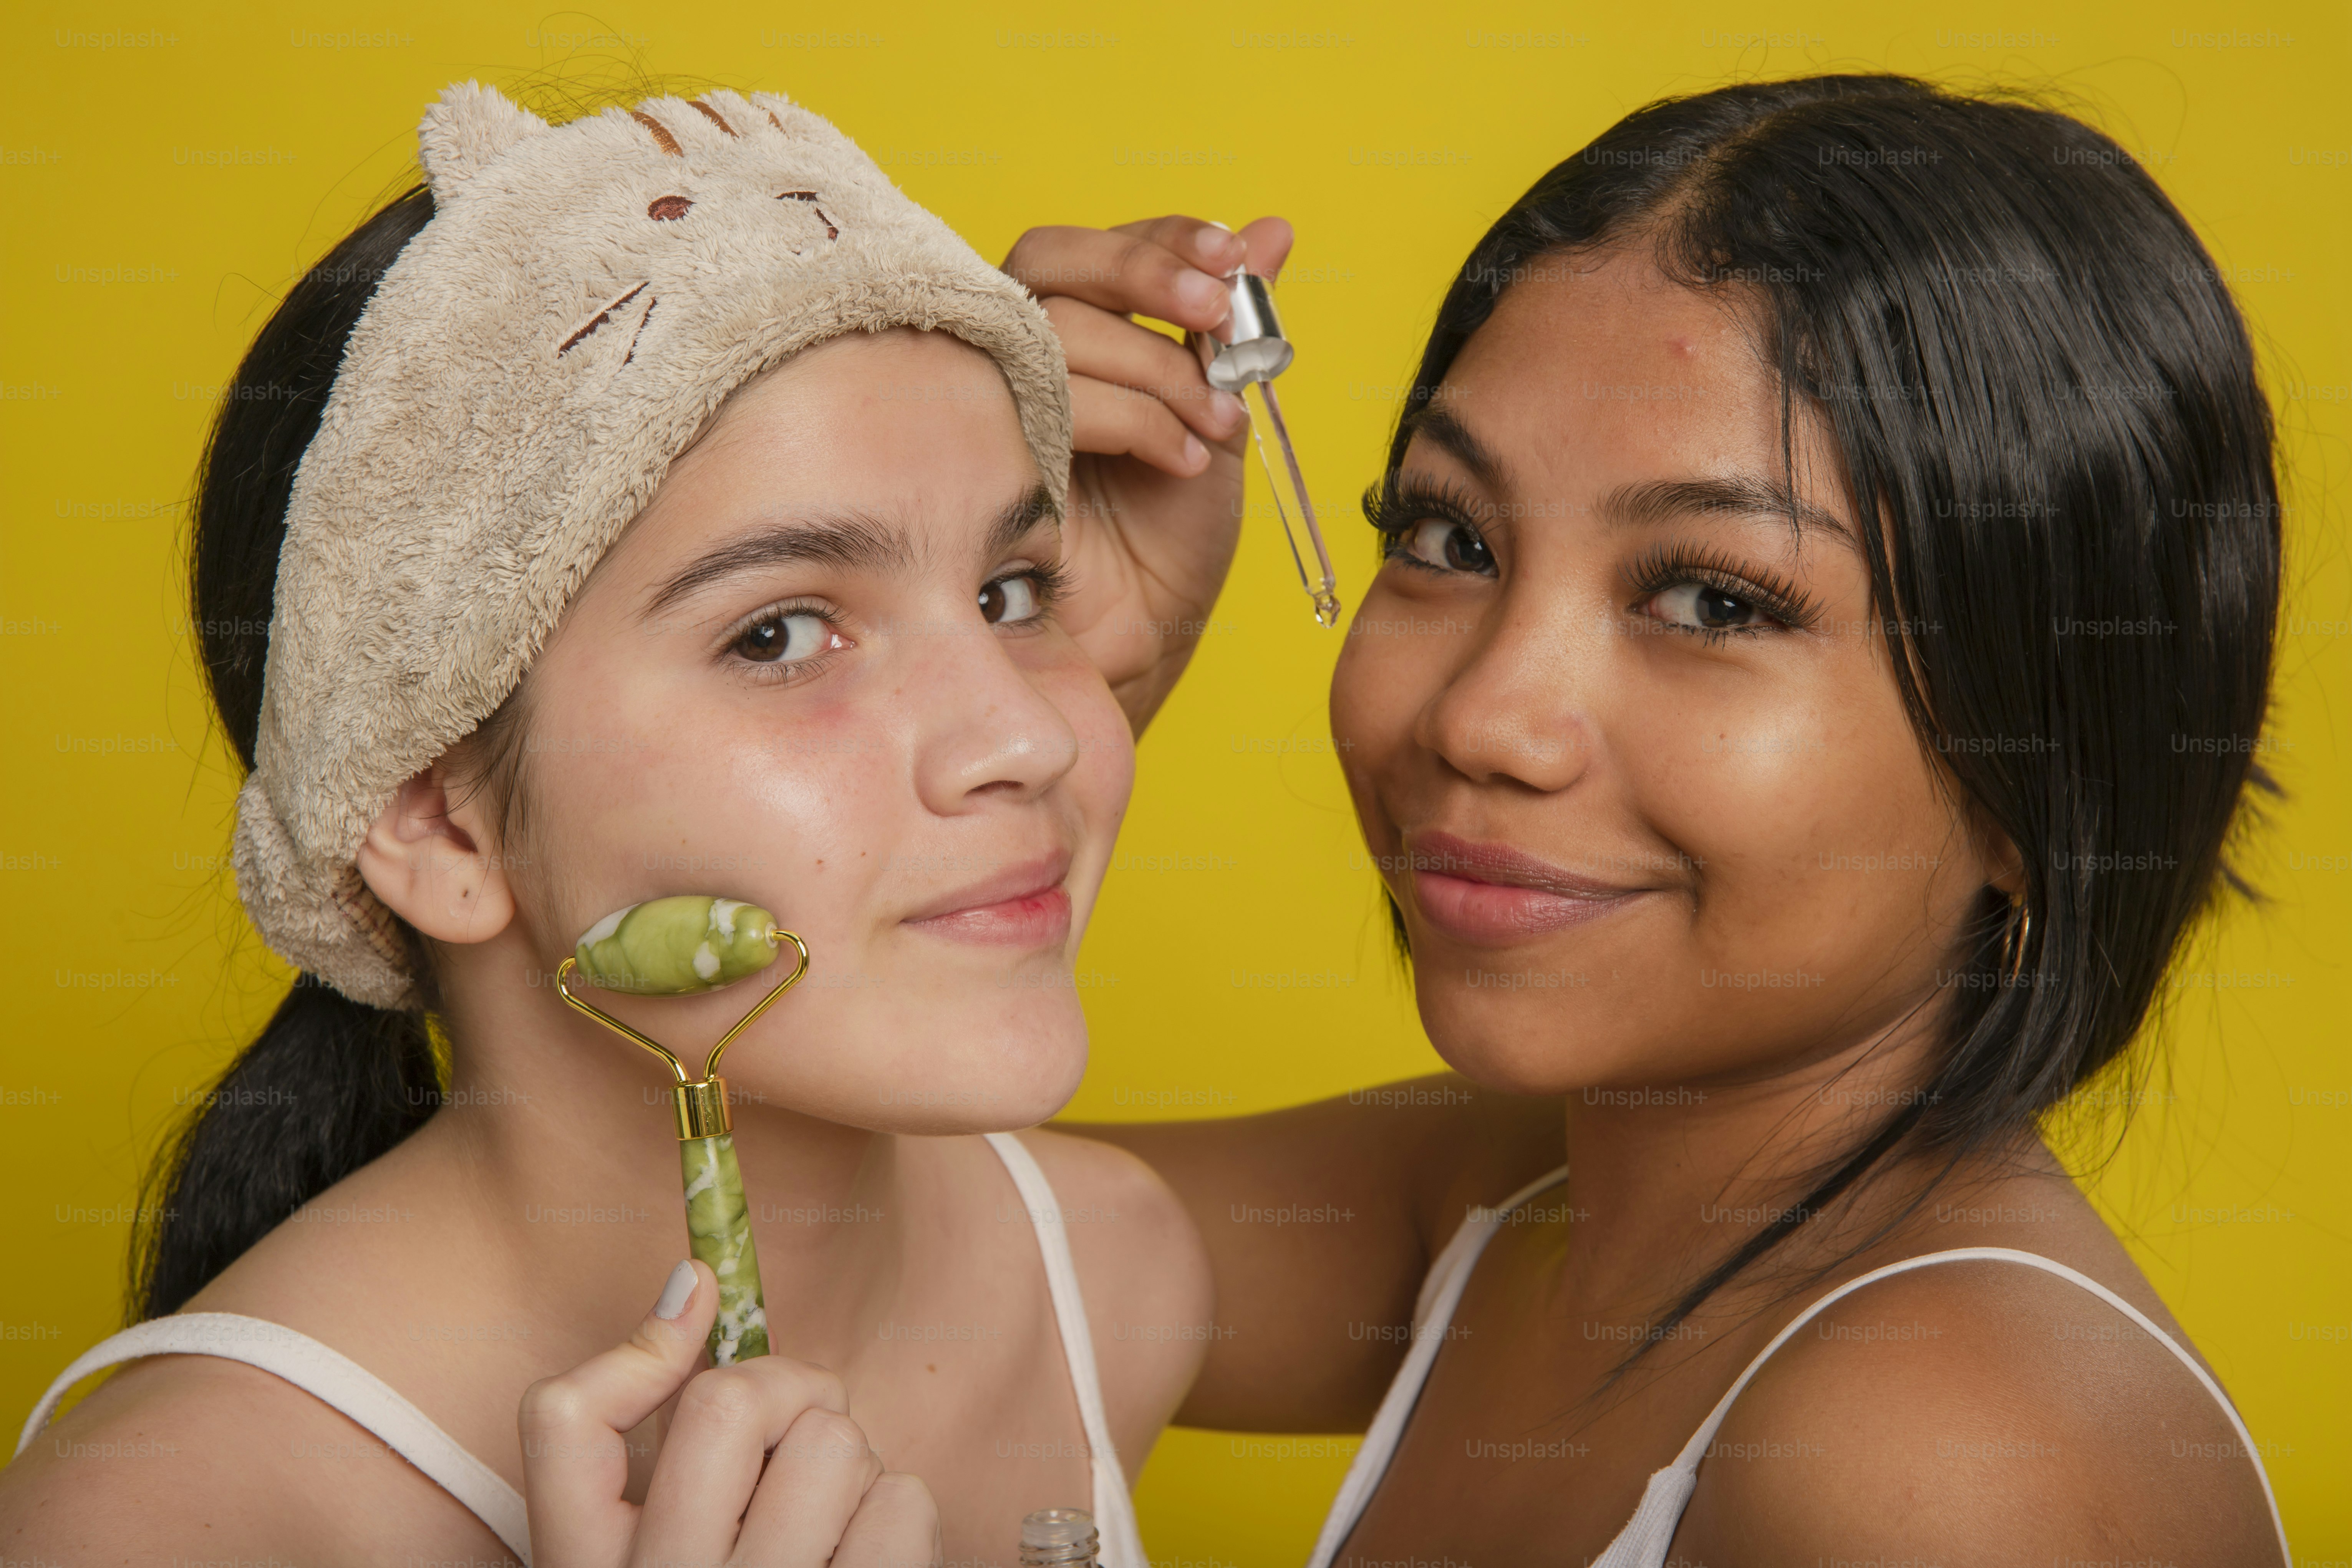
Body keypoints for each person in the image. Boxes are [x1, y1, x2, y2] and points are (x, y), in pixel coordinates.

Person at [1006, 72, 2293, 1564]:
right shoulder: (1518, 1206)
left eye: (1712, 597)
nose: (1483, 715)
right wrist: (1037, 684)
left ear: (2045, 763)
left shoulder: (1944, 1461)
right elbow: (774, 1249)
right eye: (1451, 539)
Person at [2, 81, 1246, 1566]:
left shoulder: (1116, 1272)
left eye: (1009, 593)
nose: (1035, 733)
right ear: (436, 825)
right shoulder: (170, 1525)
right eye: (782, 635)